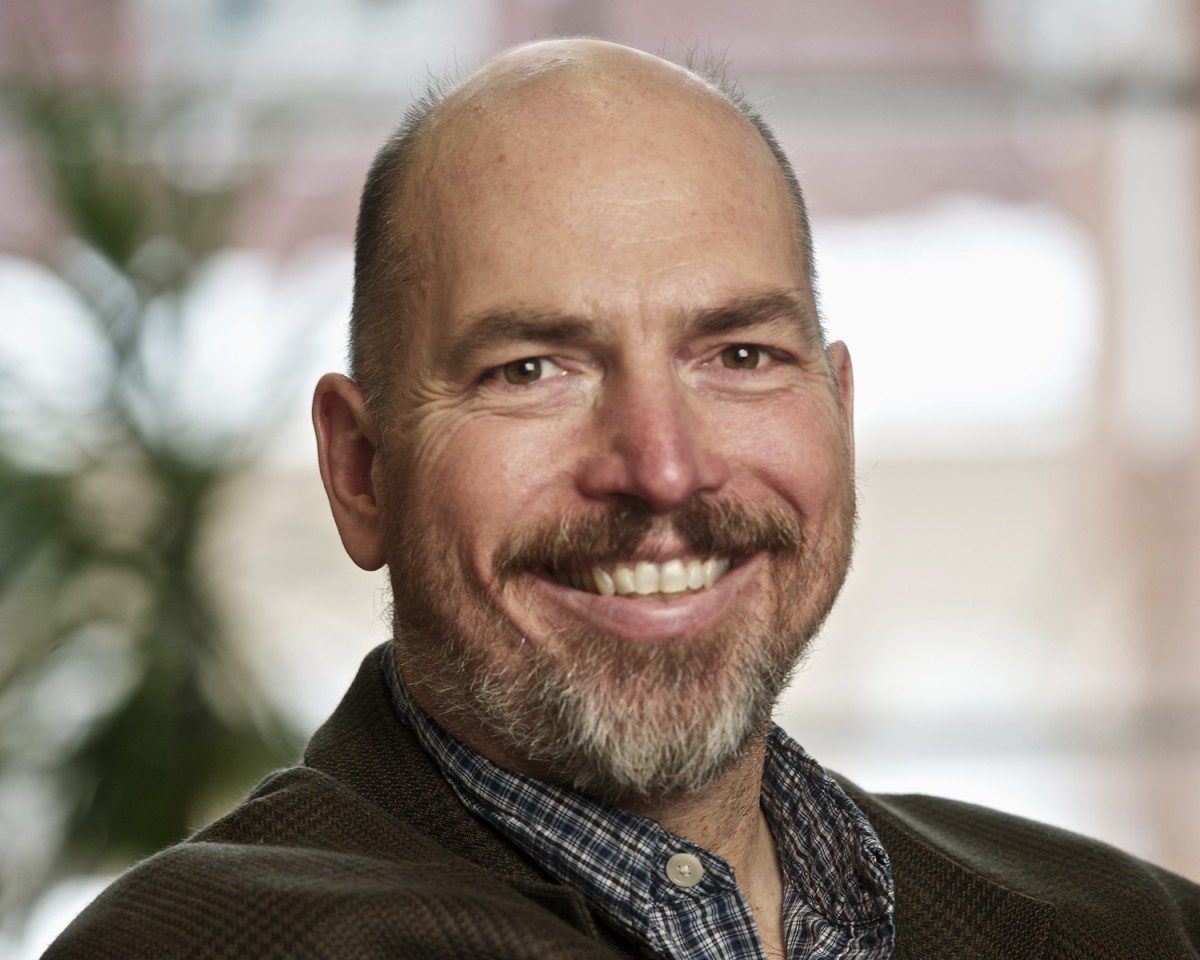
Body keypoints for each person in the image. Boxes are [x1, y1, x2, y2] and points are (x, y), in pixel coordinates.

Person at [45, 38, 1199, 960]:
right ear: (361, 470)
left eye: (740, 355)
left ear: (840, 416)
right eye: (532, 370)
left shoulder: (1127, 929)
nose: (661, 467)